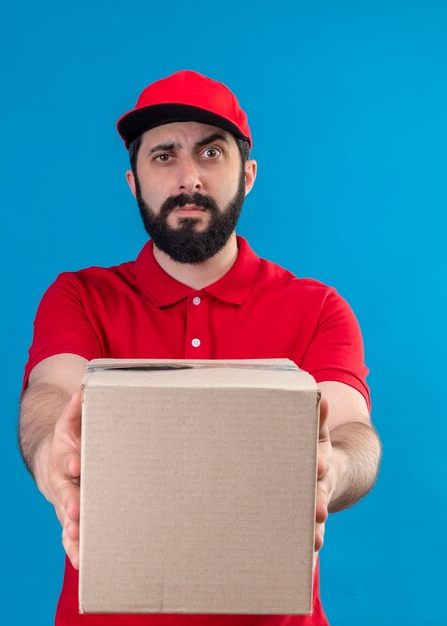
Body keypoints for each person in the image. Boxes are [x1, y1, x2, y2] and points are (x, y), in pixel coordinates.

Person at [19, 70, 381, 626]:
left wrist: (330, 468)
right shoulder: (81, 298)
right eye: (164, 156)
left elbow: (353, 431)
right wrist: (54, 460)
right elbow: (50, 395)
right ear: (134, 182)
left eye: (211, 152)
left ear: (249, 176)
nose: (189, 177)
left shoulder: (317, 308)